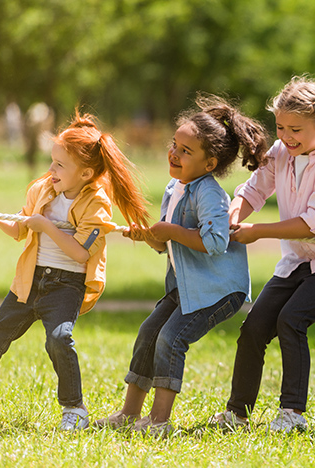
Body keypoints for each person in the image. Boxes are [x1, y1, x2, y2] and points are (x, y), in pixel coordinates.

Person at [0, 112, 151, 432]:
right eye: (52, 161)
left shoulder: (98, 206)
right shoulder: (43, 190)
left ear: (86, 172)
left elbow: (79, 251)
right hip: (29, 281)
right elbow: (21, 229)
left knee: (59, 339)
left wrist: (46, 225)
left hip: (66, 286)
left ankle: (74, 409)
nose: (51, 170)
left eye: (60, 165)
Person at [92, 96, 269, 436]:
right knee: (148, 333)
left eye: (186, 151)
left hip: (218, 289)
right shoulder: (174, 187)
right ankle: (130, 413)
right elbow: (165, 245)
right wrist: (148, 236)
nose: (174, 153)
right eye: (175, 145)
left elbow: (216, 242)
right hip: (185, 284)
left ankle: (159, 422)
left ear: (209, 163)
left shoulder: (210, 194)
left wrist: (172, 231)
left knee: (171, 339)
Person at [208, 76, 315, 433]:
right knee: (254, 328)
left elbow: (312, 224)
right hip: (297, 261)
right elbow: (252, 191)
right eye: (280, 127)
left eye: (295, 129)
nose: (286, 136)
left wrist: (258, 232)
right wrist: (234, 215)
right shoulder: (282, 153)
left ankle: (292, 414)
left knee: (291, 321)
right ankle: (237, 413)